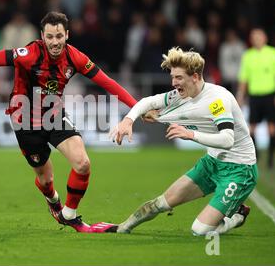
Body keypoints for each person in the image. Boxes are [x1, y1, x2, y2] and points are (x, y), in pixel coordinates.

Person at [0, 12, 136, 233]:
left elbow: (108, 83)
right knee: (46, 180)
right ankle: (53, 200)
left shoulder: (76, 58)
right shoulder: (28, 54)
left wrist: (137, 108)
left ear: (67, 35)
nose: (55, 42)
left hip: (54, 116)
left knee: (83, 163)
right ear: (42, 36)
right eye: (50, 37)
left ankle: (69, 215)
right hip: (25, 121)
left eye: (59, 36)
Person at [109, 47, 257, 236]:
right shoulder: (180, 95)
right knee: (161, 203)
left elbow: (228, 139)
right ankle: (123, 227)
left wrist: (190, 135)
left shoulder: (217, 100)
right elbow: (148, 102)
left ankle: (236, 216)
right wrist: (128, 120)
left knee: (200, 230)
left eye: (179, 77)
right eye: (173, 77)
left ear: (194, 77)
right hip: (212, 163)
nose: (173, 83)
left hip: (239, 170)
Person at [236, 28, 275, 169]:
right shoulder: (248, 56)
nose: (256, 39)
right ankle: (256, 154)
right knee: (251, 128)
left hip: (270, 95)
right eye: (254, 37)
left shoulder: (274, 54)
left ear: (265, 38)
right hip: (254, 96)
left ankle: (271, 159)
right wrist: (240, 95)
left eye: (259, 36)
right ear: (251, 40)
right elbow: (243, 78)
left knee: (272, 129)